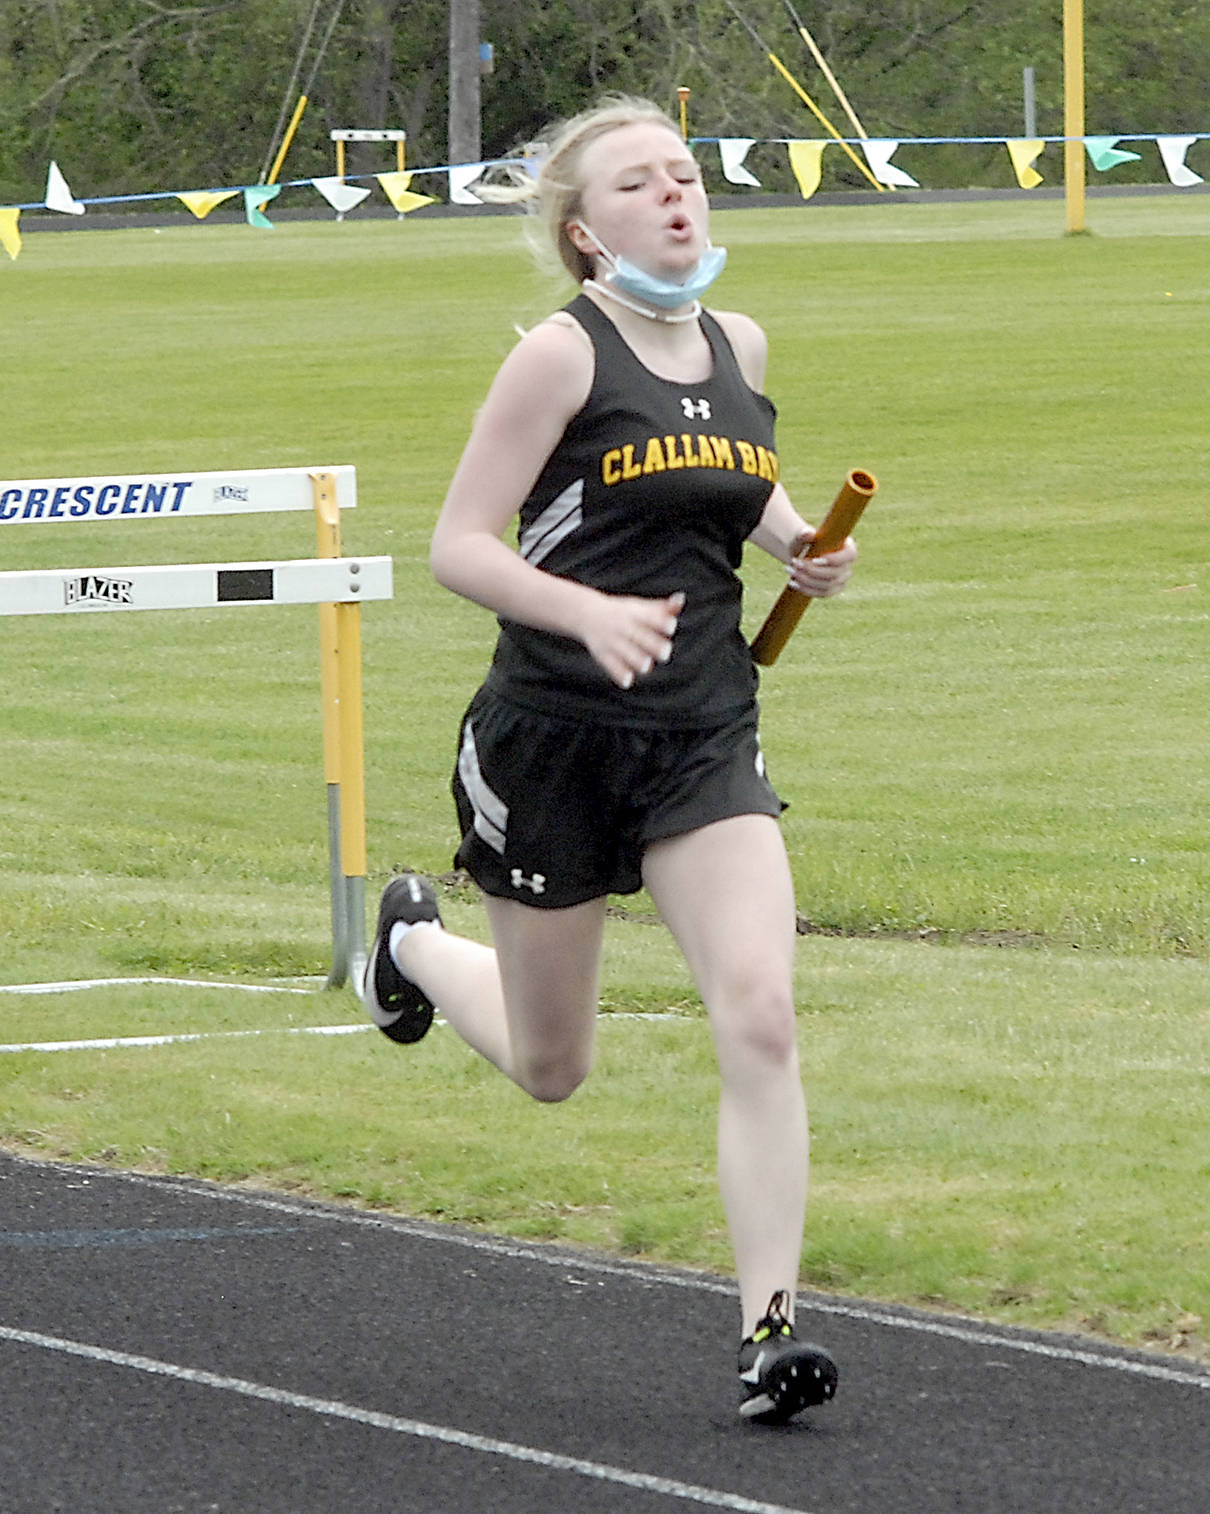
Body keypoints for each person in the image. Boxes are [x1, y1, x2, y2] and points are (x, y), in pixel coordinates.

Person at [364, 94, 857, 1425]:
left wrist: (801, 545)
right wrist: (583, 611)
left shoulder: (740, 342)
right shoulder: (558, 358)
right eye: (638, 184)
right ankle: (410, 945)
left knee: (760, 1011)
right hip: (552, 741)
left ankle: (770, 1329)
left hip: (702, 738)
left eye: (684, 174)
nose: (675, 194)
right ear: (586, 232)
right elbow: (458, 546)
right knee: (552, 1065)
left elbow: (734, 479)